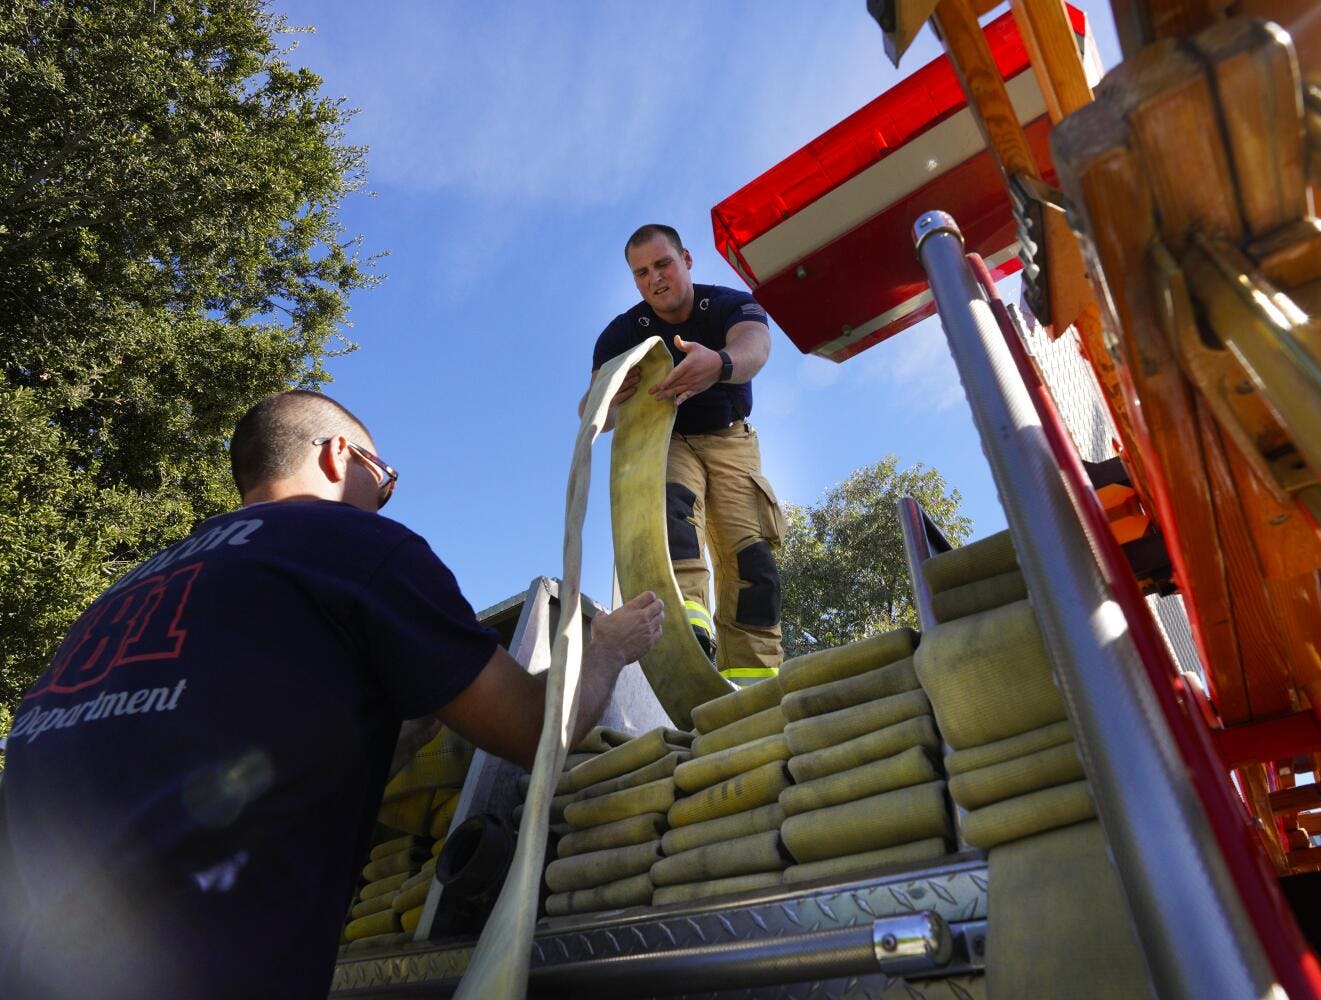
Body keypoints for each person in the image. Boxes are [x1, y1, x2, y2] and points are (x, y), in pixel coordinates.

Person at [0, 390, 664, 999]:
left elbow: (228, 757)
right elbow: (533, 733)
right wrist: (605, 646)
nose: (383, 500)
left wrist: (411, 724)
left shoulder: (124, 594)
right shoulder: (355, 545)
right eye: (385, 479)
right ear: (337, 454)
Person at [585, 223, 786, 685]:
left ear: (687, 260)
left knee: (753, 561)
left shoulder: (729, 303)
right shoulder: (621, 335)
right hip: (667, 437)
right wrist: (608, 399)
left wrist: (720, 364)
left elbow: (756, 343)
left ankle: (755, 681)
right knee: (675, 520)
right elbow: (590, 410)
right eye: (640, 273)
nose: (654, 279)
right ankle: (688, 639)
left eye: (662, 264)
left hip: (731, 441)